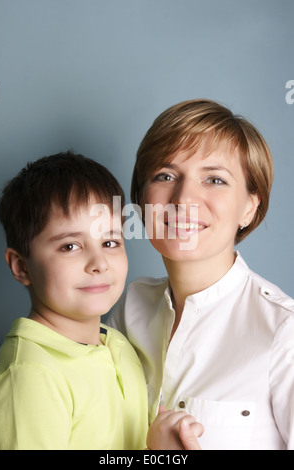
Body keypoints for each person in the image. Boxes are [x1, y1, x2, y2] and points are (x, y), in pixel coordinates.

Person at [108, 99, 294, 450]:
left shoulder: (284, 332)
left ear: (250, 206)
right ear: (141, 199)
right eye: (165, 176)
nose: (184, 199)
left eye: (215, 179)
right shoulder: (127, 308)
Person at [0, 151, 202, 450]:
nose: (99, 262)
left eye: (110, 242)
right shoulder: (29, 375)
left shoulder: (119, 346)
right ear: (21, 266)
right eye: (70, 246)